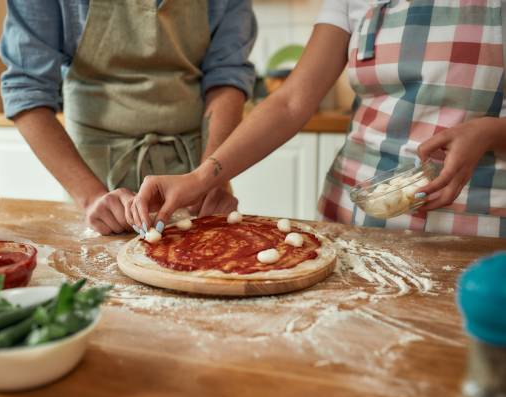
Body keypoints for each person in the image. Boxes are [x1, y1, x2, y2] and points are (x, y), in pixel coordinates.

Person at [129, 0, 506, 238]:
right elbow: (291, 102)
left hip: (475, 226)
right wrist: (201, 178)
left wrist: (492, 133)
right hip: (354, 217)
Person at [0, 0, 256, 236]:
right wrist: (91, 197)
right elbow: (26, 90)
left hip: (194, 174)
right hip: (94, 177)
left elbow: (227, 77)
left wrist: (209, 178)